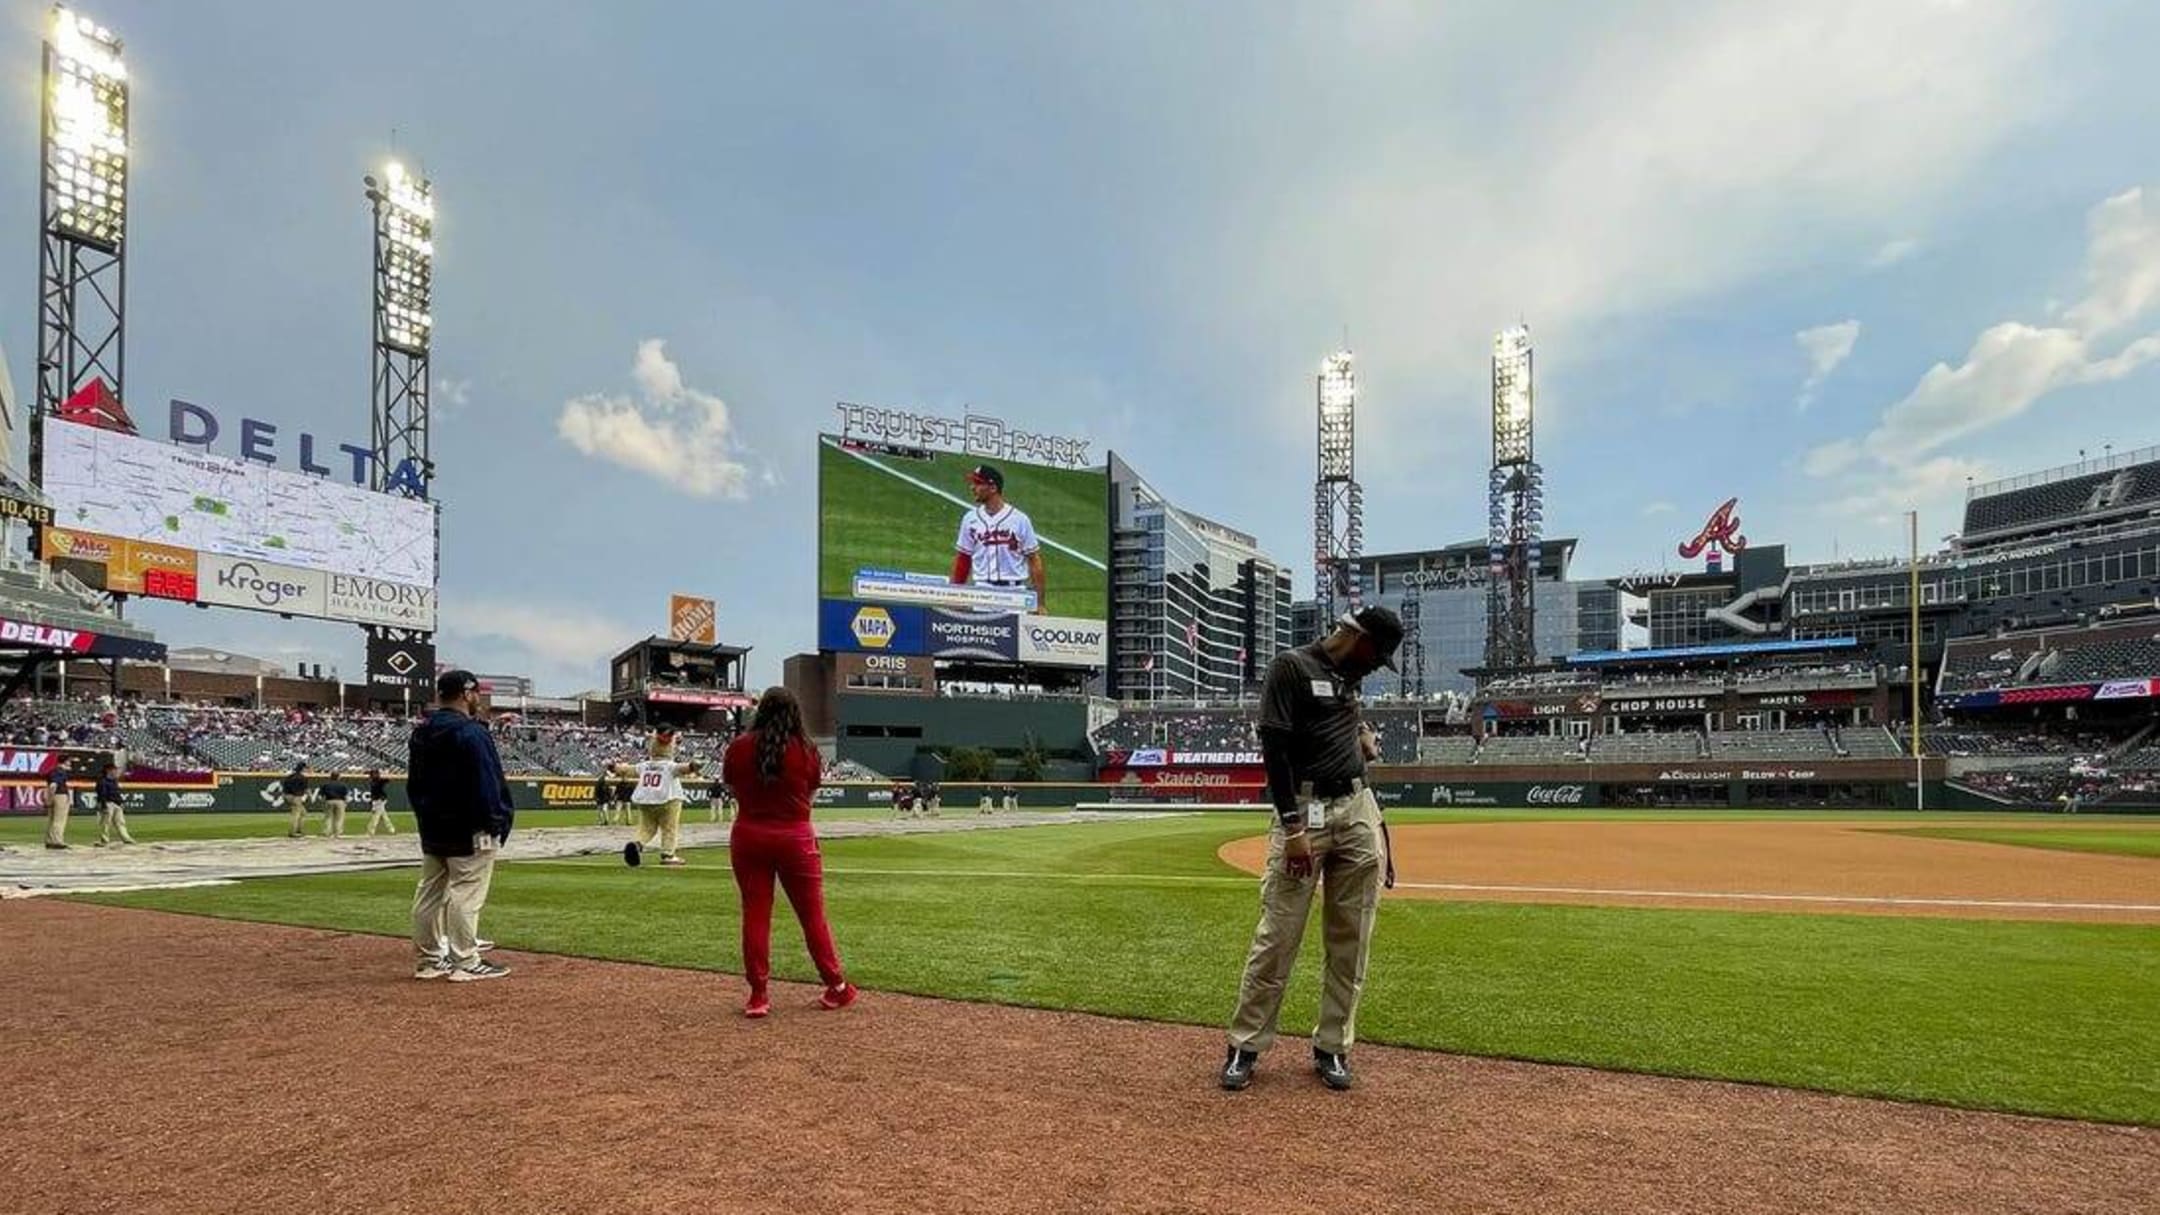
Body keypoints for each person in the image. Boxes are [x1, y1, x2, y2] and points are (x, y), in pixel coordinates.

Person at [1221, 606, 1403, 1094]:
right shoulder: (1292, 667)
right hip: (1304, 811)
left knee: (1352, 940)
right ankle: (1246, 1043)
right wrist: (1293, 827)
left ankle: (1333, 1047)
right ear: (1357, 637)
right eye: (1377, 655)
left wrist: (1362, 736)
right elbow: (1274, 754)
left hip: (1358, 807)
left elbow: (1346, 714)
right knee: (1277, 936)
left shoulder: (1350, 678)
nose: (1374, 665)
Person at [721, 686, 855, 1018]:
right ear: (795, 715)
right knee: (812, 917)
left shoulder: (738, 748)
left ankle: (758, 995)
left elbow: (732, 788)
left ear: (761, 711)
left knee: (755, 914)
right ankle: (836, 985)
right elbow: (808, 799)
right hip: (796, 838)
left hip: (749, 835)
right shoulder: (808, 751)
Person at [408, 670, 514, 982]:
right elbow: (486, 782)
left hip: (433, 825)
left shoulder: (422, 732)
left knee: (429, 894)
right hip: (471, 826)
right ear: (467, 694)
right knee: (465, 893)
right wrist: (495, 821)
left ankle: (428, 961)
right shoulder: (472, 732)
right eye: (475, 693)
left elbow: (415, 785)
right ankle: (465, 961)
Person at [950, 464, 1046, 612]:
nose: (972, 487)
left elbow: (1034, 560)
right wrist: (954, 596)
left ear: (993, 488)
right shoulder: (970, 519)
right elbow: (963, 558)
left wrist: (1040, 603)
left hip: (1015, 594)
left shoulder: (1020, 520)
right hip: (983, 592)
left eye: (978, 483)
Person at [617, 727, 699, 868]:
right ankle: (668, 854)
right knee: (669, 828)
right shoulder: (669, 766)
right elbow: (684, 768)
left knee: (647, 828)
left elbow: (627, 770)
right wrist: (693, 766)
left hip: (646, 799)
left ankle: (637, 844)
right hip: (668, 798)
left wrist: (614, 767)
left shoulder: (645, 765)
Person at [94, 761, 135, 846]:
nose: (116, 772)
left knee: (120, 822)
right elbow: (102, 794)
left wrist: (120, 802)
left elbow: (116, 793)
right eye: (114, 770)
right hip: (108, 803)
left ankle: (126, 838)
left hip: (116, 804)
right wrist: (103, 804)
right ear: (108, 770)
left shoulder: (114, 781)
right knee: (105, 823)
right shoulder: (102, 781)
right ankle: (104, 840)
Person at [43, 764, 73, 850]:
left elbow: (50, 786)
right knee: (59, 820)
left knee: (52, 819)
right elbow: (53, 785)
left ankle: (49, 840)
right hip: (60, 796)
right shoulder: (60, 772)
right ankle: (57, 841)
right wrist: (51, 798)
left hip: (54, 795)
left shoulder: (52, 771)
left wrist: (49, 798)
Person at [281, 763, 312, 838]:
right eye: (305, 768)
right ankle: (292, 832)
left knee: (303, 813)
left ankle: (299, 830)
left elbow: (284, 787)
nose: (306, 769)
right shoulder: (302, 777)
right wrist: (311, 796)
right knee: (296, 814)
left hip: (287, 795)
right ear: (302, 769)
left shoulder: (289, 776)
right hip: (295, 797)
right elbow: (306, 789)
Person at [318, 773, 352, 840]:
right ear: (338, 777)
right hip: (340, 801)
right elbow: (347, 795)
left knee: (328, 818)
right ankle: (337, 833)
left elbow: (321, 795)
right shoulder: (342, 785)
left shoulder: (326, 785)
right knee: (339, 818)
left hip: (329, 801)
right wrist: (346, 802)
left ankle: (327, 832)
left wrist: (324, 802)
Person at [365, 769, 395, 836]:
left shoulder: (380, 780)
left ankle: (371, 831)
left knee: (376, 815)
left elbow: (388, 780)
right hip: (376, 800)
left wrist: (385, 773)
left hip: (381, 799)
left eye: (374, 774)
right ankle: (391, 829)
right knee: (384, 815)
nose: (372, 775)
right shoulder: (372, 781)